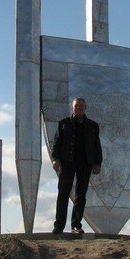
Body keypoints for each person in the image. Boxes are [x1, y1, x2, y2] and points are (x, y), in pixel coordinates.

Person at [51, 97, 103, 236]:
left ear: (85, 107)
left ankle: (76, 226)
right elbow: (56, 143)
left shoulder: (93, 126)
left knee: (81, 195)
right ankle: (59, 226)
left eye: (81, 106)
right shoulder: (64, 123)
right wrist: (55, 159)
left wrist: (97, 163)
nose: (78, 108)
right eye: (76, 106)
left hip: (85, 163)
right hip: (67, 163)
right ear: (72, 108)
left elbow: (97, 146)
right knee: (63, 194)